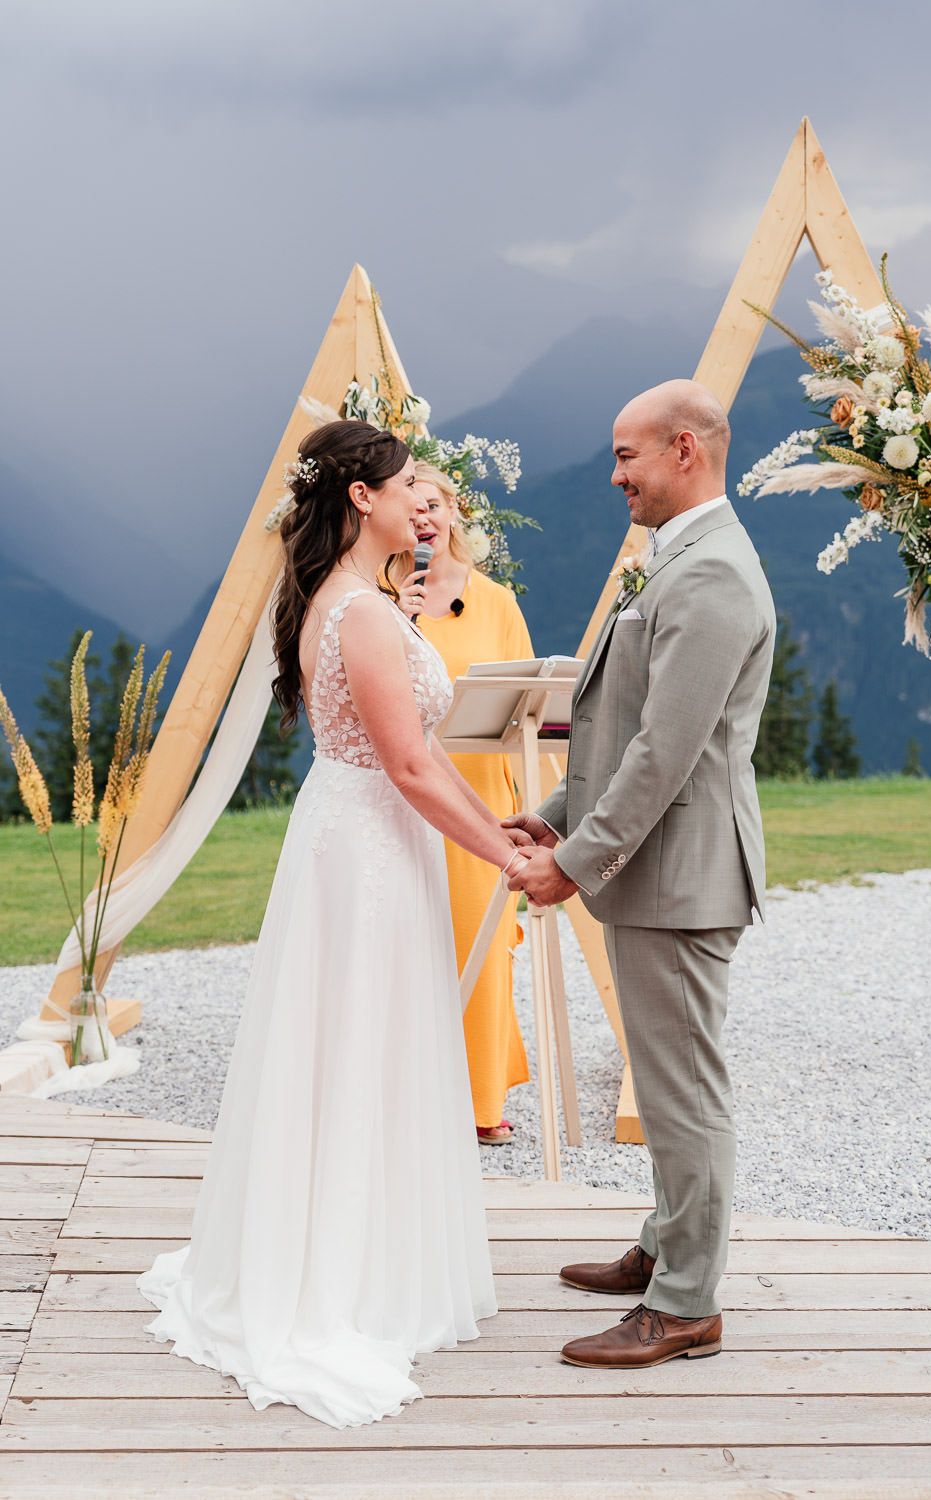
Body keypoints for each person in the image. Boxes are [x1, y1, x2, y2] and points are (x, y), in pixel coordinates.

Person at [137, 421, 534, 1428]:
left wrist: (495, 831)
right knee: (358, 1044)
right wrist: (510, 860)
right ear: (362, 498)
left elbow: (423, 760)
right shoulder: (359, 613)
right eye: (408, 487)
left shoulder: (353, 603)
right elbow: (405, 764)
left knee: (367, 1044)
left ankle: (356, 1253)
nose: (424, 505)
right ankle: (342, 1283)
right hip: (364, 843)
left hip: (362, 836)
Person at [505, 380, 775, 1370]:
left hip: (683, 873)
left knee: (683, 1089)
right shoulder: (681, 561)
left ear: (685, 450)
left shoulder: (710, 578)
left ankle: (687, 1302)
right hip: (663, 867)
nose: (613, 475)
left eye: (627, 456)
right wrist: (553, 815)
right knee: (667, 1085)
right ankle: (666, 1246)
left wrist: (570, 864)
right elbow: (622, 737)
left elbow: (664, 755)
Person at [393, 461, 532, 1145]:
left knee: (482, 946)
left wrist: (538, 805)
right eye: (411, 507)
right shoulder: (383, 598)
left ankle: (481, 1104)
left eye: (434, 505)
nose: (424, 518)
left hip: (482, 796)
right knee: (410, 945)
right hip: (409, 797)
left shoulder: (499, 602)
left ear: (455, 513)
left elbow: (533, 702)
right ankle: (410, 1095)